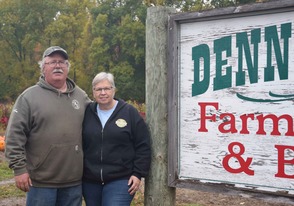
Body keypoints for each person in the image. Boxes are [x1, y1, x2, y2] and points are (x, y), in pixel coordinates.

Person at [5, 46, 90, 206]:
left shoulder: (81, 96)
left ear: (67, 67)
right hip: (41, 182)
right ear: (43, 68)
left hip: (73, 182)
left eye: (62, 62)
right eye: (52, 62)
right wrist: (19, 169)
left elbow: (99, 123)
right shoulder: (29, 97)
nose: (57, 66)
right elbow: (14, 136)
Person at [82, 72, 151, 206]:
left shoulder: (129, 112)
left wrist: (138, 173)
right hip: (90, 181)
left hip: (121, 179)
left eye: (107, 88)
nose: (103, 92)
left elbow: (143, 145)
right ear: (93, 92)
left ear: (114, 90)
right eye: (98, 89)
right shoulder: (87, 112)